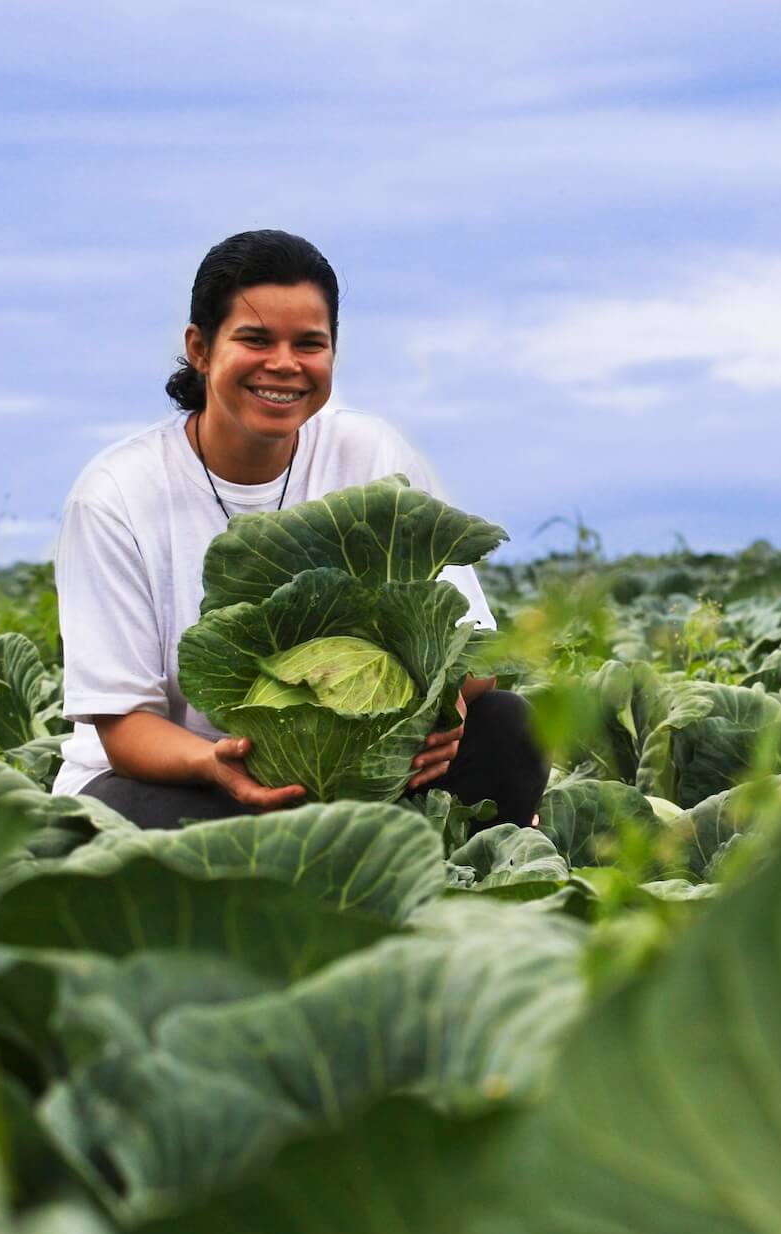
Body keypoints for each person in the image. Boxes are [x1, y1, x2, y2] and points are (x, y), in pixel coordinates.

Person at [50, 229, 546, 830]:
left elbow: (471, 645)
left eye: (309, 344)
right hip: (186, 778)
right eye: (255, 340)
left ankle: (451, 897)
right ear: (201, 349)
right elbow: (124, 726)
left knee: (507, 729)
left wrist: (449, 710)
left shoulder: (371, 460)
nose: (283, 365)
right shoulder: (116, 495)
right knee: (160, 834)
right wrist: (215, 763)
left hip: (372, 776)